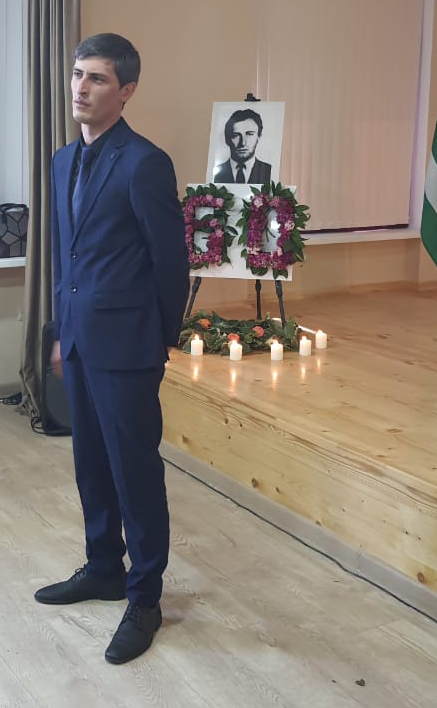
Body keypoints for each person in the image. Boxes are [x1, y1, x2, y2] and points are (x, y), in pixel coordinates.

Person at [35, 33, 189, 665]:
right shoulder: (61, 161)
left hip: (128, 347)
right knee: (90, 463)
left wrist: (158, 343)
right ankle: (103, 567)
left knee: (134, 472)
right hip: (79, 339)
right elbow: (63, 257)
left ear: (126, 91)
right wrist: (58, 331)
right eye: (77, 74)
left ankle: (145, 596)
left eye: (96, 78)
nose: (80, 87)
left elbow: (170, 262)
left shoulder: (145, 162)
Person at [212, 108, 272, 184]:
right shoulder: (214, 174)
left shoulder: (269, 171)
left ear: (259, 137)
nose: (243, 143)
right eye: (236, 135)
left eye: (249, 134)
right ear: (227, 139)